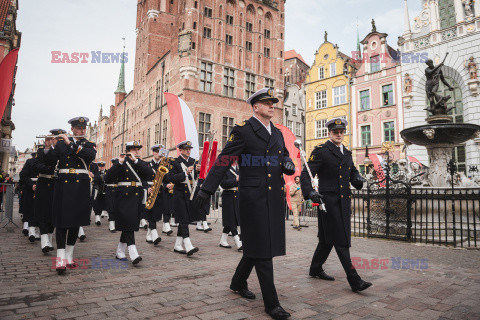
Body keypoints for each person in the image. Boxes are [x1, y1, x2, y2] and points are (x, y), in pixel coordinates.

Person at [195, 88, 296, 320]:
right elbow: (224, 161)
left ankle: (238, 282)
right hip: (253, 198)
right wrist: (206, 188)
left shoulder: (278, 133)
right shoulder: (243, 131)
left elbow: (284, 156)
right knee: (263, 250)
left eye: (273, 102)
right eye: (267, 102)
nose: (272, 105)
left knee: (257, 246)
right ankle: (272, 304)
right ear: (255, 107)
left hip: (273, 197)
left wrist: (287, 164)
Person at [300, 117, 372, 292]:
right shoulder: (321, 151)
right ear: (329, 133)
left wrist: (358, 179)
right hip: (328, 203)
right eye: (335, 132)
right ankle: (354, 280)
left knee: (326, 240)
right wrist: (310, 193)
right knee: (341, 240)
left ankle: (315, 268)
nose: (339, 134)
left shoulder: (347, 153)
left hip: (344, 202)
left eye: (341, 132)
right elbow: (305, 175)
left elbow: (353, 172)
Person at [46, 117, 96, 274]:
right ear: (72, 129)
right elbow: (49, 162)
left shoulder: (88, 145)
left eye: (84, 128)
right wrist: (50, 146)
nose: (82, 131)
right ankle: (60, 258)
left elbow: (90, 156)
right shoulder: (60, 144)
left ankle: (69, 255)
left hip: (80, 185)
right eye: (79, 128)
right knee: (61, 222)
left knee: (75, 222)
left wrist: (70, 143)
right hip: (63, 184)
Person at [105, 141, 152, 265]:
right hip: (123, 196)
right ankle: (133, 252)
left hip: (136, 196)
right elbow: (108, 178)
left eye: (138, 149)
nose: (137, 152)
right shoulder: (120, 162)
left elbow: (150, 175)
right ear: (128, 150)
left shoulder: (140, 163)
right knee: (129, 223)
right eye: (134, 149)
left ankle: (120, 251)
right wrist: (119, 163)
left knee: (129, 224)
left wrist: (136, 162)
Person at [33, 130, 64, 253]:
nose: (53, 141)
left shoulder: (61, 151)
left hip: (56, 185)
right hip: (44, 184)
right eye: (51, 139)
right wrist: (47, 147)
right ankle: (44, 240)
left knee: (53, 214)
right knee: (42, 213)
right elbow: (37, 165)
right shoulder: (41, 152)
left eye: (55, 139)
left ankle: (49, 241)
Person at [166, 140, 200, 256]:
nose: (188, 151)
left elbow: (195, 178)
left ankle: (177, 245)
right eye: (186, 149)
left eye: (189, 149)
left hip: (190, 194)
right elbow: (172, 177)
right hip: (180, 193)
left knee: (184, 220)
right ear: (180, 150)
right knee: (184, 219)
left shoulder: (193, 161)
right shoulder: (175, 162)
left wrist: (198, 171)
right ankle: (188, 244)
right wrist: (185, 173)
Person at [218, 162, 242, 251]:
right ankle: (238, 242)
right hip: (228, 196)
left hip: (237, 196)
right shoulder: (224, 168)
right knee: (231, 219)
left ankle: (223, 240)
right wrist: (235, 179)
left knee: (232, 218)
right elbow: (223, 183)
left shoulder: (240, 168)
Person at [145, 144, 165, 245]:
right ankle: (154, 233)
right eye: (157, 152)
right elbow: (142, 179)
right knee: (151, 213)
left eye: (161, 152)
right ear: (153, 152)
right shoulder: (147, 165)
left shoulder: (163, 164)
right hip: (150, 190)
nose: (159, 154)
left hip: (160, 191)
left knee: (156, 214)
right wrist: (146, 188)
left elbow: (167, 178)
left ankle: (149, 235)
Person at [19, 152, 40, 242]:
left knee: (41, 211)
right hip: (30, 189)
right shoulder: (30, 162)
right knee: (30, 210)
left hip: (43, 188)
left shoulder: (48, 162)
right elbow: (23, 175)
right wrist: (31, 185)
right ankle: (31, 231)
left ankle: (37, 232)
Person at [104, 158, 118, 233]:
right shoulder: (109, 171)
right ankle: (111, 224)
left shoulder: (120, 171)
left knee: (116, 208)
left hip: (118, 190)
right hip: (110, 190)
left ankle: (115, 224)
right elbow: (106, 179)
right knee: (111, 208)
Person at [92, 161, 107, 226]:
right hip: (97, 190)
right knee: (96, 204)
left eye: (103, 166)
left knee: (105, 203)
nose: (101, 168)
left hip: (105, 190)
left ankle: (105, 214)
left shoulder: (107, 172)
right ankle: (97, 218)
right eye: (100, 166)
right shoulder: (95, 173)